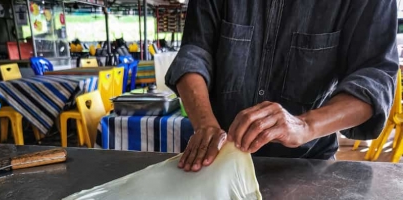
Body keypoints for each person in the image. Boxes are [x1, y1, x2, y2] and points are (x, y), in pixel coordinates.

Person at [166, 0, 399, 171]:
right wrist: (205, 124)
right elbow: (195, 51)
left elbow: (375, 75)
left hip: (306, 166)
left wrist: (305, 125)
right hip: (219, 159)